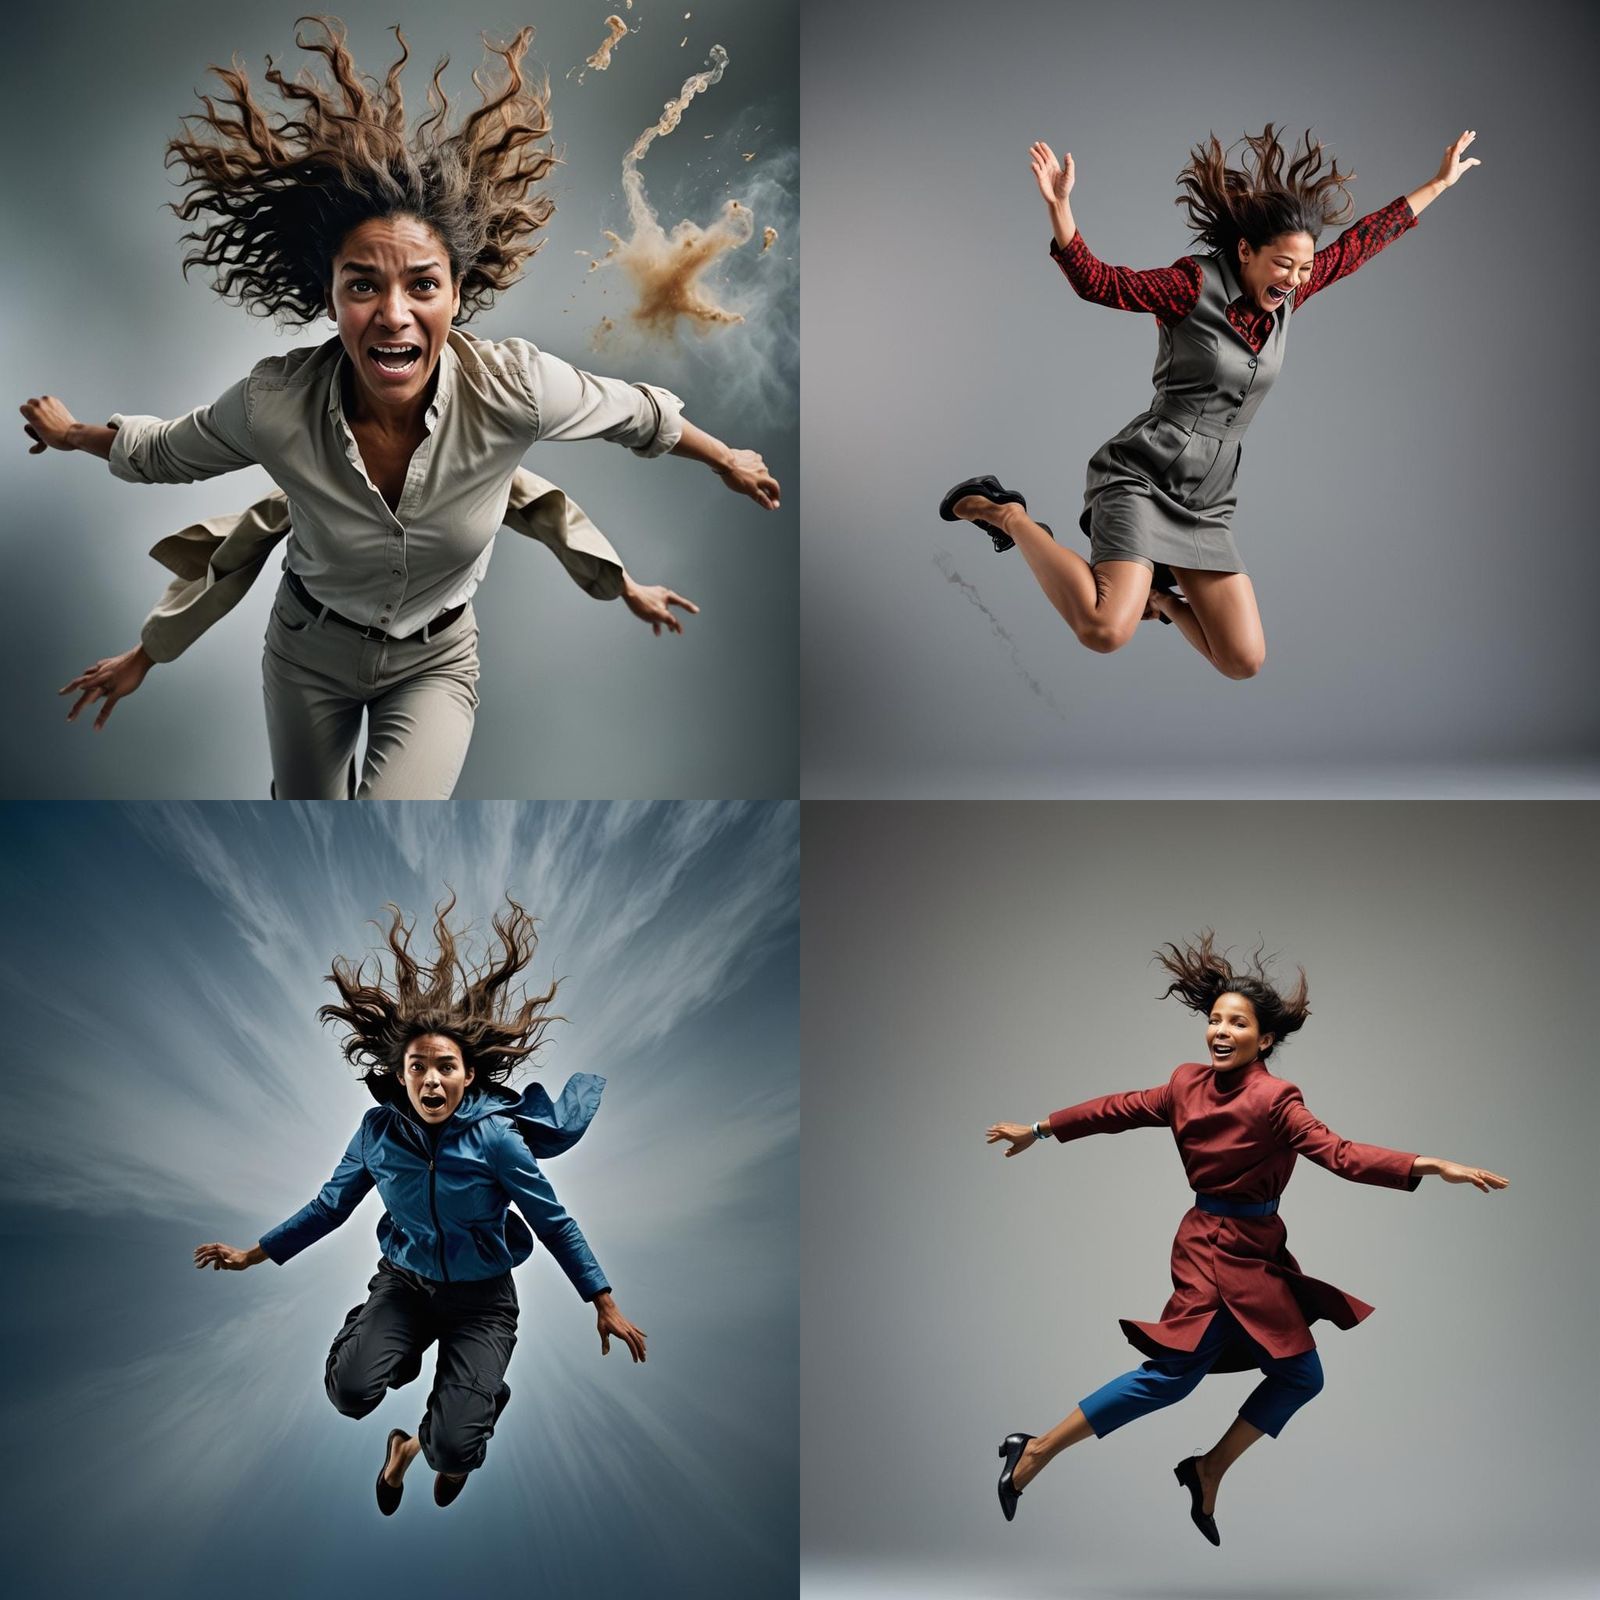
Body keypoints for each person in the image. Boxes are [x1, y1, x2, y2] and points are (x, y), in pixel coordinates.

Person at [20, 18, 779, 795]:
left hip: (437, 663)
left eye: (422, 284)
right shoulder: (274, 402)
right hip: (306, 654)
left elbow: (633, 414)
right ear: (331, 298)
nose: (393, 314)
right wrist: (70, 431)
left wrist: (724, 458)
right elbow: (165, 452)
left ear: (457, 291)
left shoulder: (514, 388)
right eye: (363, 286)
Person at [984, 933, 1508, 1545]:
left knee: (1300, 1377)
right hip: (1207, 1248)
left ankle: (1207, 1470)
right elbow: (1117, 1109)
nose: (1221, 1031)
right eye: (1214, 1020)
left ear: (1266, 1039)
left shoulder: (1276, 1098)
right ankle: (1036, 1452)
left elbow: (1339, 1154)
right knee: (1173, 1376)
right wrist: (1040, 1130)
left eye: (1237, 1022)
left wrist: (1426, 1164)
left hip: (1257, 1251)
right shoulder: (1184, 1084)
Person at [940, 124, 1480, 678]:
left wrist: (1438, 183)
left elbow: (1362, 241)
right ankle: (1006, 513)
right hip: (1144, 474)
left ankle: (1159, 598)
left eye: (1304, 269)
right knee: (1104, 630)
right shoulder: (1190, 285)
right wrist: (1061, 210)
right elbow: (1101, 283)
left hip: (1208, 496)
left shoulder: (1292, 295)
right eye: (1282, 265)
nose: (1294, 280)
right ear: (1245, 250)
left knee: (1243, 659)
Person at [193, 895, 645, 1515]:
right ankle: (398, 1356)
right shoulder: (378, 1133)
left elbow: (552, 1220)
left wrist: (603, 1300)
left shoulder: (497, 1139)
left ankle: (421, 1442)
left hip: (482, 1301)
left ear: (467, 1076)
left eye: (445, 1067)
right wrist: (254, 1254)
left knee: (454, 1454)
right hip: (405, 1284)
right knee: (350, 1393)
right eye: (418, 1067)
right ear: (401, 1075)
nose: (432, 1079)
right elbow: (330, 1206)